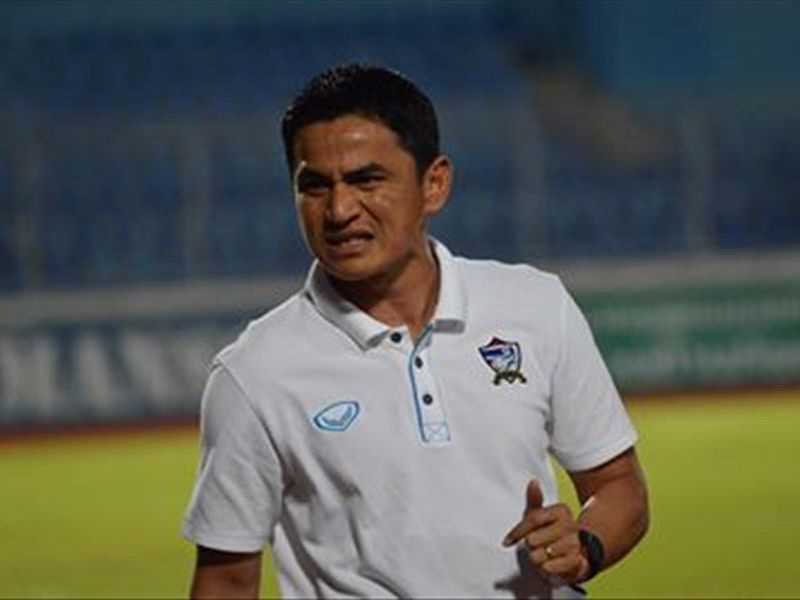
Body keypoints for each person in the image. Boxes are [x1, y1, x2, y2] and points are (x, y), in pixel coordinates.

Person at [183, 63, 649, 599]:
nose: (339, 209)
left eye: (366, 180)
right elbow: (227, 580)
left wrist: (584, 546)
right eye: (314, 186)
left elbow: (618, 486)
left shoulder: (536, 305)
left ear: (435, 184)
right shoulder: (254, 374)